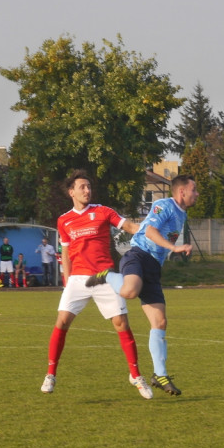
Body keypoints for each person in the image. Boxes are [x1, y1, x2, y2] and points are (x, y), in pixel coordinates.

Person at [42, 170, 154, 400]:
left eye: (89, 186)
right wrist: (67, 281)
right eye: (82, 187)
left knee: (121, 323)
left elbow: (131, 227)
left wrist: (152, 229)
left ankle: (135, 375)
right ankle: (51, 374)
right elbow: (65, 251)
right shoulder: (64, 220)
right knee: (62, 321)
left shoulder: (103, 212)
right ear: (71, 192)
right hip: (78, 279)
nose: (87, 190)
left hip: (105, 277)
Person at [87, 175, 198, 396]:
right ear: (182, 191)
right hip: (138, 256)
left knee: (160, 321)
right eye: (194, 189)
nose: (197, 194)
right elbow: (148, 231)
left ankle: (160, 374)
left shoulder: (182, 213)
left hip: (154, 267)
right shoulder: (163, 205)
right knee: (129, 290)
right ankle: (107, 275)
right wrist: (173, 248)